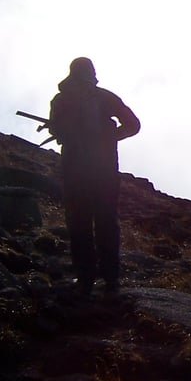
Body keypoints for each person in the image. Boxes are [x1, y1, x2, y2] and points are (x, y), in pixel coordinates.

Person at [48, 57, 140, 294]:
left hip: (75, 170)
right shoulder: (105, 97)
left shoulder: (61, 99)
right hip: (104, 170)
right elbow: (133, 125)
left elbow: (55, 129)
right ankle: (111, 279)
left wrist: (67, 135)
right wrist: (110, 138)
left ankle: (85, 278)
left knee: (78, 223)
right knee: (106, 222)